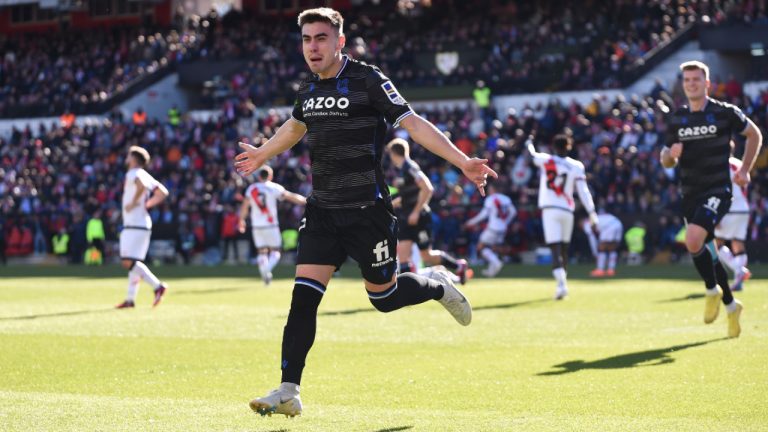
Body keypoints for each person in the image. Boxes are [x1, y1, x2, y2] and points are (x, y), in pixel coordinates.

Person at [234, 7, 496, 418]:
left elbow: (412, 122)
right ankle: (289, 389)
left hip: (367, 213)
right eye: (306, 39)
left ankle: (438, 285)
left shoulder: (368, 79)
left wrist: (462, 161)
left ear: (339, 41)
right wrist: (263, 151)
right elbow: (295, 125)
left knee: (385, 298)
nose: (313, 47)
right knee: (302, 301)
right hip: (323, 212)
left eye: (321, 38)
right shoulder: (308, 89)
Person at [660, 60, 762, 338]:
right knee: (710, 252)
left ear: (707, 83)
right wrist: (671, 155)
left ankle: (711, 290)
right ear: (683, 85)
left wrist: (744, 169)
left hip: (717, 190)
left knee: (692, 239)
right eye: (687, 80)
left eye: (696, 79)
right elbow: (665, 158)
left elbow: (754, 134)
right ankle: (731, 306)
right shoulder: (677, 118)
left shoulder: (724, 112)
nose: (691, 83)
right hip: (689, 192)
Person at [386, 138, 470, 284]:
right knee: (403, 255)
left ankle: (458, 266)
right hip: (406, 218)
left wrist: (416, 211)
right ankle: (409, 290)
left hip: (419, 218)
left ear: (394, 153)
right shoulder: (402, 171)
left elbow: (428, 188)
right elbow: (407, 195)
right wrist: (392, 205)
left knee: (427, 256)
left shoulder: (410, 168)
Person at [527, 134, 598, 300]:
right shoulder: (576, 165)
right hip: (567, 209)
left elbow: (531, 155)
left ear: (553, 146)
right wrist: (592, 212)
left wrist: (529, 143)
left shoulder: (546, 159)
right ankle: (562, 283)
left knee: (555, 248)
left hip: (550, 209)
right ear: (569, 146)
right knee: (564, 248)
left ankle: (561, 285)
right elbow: (583, 191)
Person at [115, 146, 170, 309]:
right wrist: (147, 204)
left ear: (133, 158)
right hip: (143, 223)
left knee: (127, 262)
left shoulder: (133, 173)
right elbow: (163, 192)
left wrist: (134, 203)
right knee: (134, 263)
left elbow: (140, 187)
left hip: (133, 223)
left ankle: (157, 286)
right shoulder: (145, 174)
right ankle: (130, 299)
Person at [239, 165, 307, 285]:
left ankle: (265, 275)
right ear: (270, 176)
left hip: (257, 225)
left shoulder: (252, 189)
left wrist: (241, 220)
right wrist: (306, 200)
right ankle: (267, 270)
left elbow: (245, 206)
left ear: (259, 176)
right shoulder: (273, 187)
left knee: (261, 251)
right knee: (275, 250)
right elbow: (290, 196)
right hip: (271, 224)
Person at [714, 142, 752, 291]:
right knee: (738, 244)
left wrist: (716, 215)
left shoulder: (720, 166)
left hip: (728, 210)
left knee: (715, 244)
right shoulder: (740, 164)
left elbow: (720, 191)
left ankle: (738, 270)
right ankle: (738, 280)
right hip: (743, 208)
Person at [463, 182, 515, 277]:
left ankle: (496, 262)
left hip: (493, 227)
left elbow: (483, 215)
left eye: (490, 189)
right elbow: (513, 212)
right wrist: (506, 222)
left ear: (493, 189)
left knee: (480, 247)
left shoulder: (490, 199)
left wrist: (470, 222)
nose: (488, 190)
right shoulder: (506, 199)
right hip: (502, 228)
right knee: (492, 249)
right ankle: (491, 271)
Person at [582, 211, 623, 277]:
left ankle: (600, 270)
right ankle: (611, 270)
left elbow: (591, 238)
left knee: (602, 249)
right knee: (612, 248)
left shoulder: (586, 223)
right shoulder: (596, 217)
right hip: (618, 223)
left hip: (609, 226)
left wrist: (595, 253)